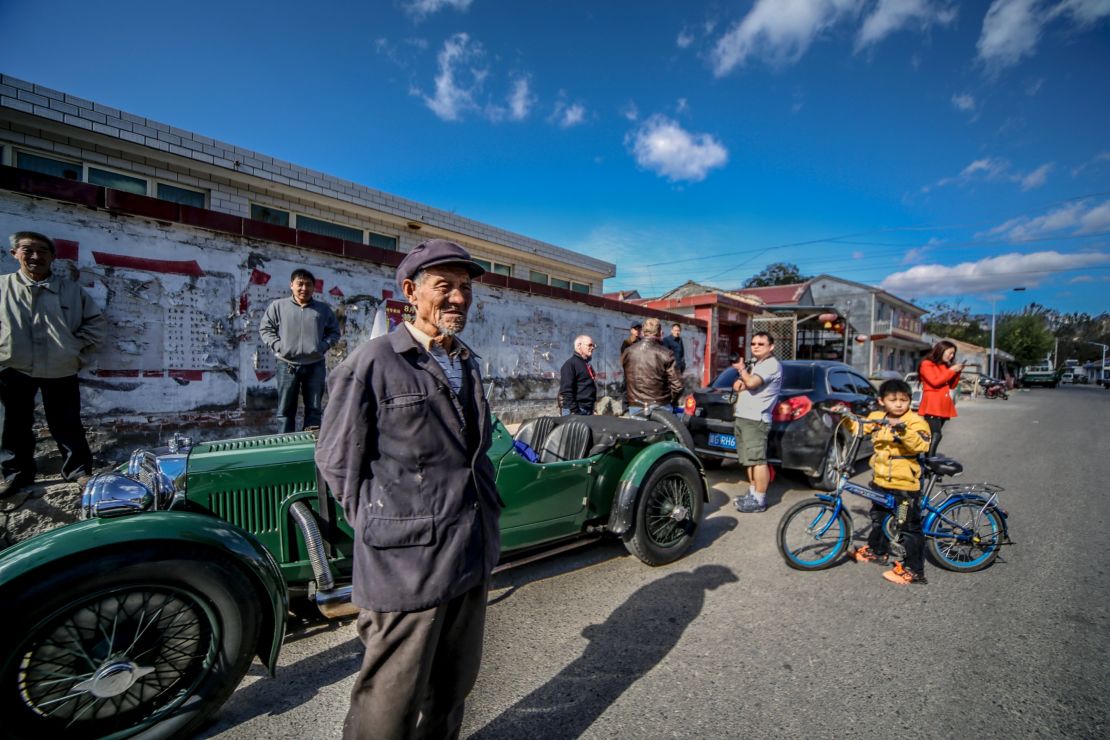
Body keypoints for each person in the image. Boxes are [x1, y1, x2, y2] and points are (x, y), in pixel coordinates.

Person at [315, 239, 501, 740]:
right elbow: (336, 462)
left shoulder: (467, 361)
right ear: (411, 293)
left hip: (469, 551)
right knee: (389, 706)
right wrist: (387, 527)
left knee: (451, 691)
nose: (458, 298)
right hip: (406, 567)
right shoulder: (373, 362)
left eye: (465, 288)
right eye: (445, 287)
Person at [0, 231, 106, 497]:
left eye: (42, 251)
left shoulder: (70, 290)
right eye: (28, 250)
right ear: (15, 254)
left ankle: (78, 471)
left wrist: (75, 351)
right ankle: (16, 475)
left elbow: (95, 323)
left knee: (67, 422)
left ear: (52, 257)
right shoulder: (3, 287)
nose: (35, 256)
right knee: (13, 424)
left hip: (60, 366)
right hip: (13, 365)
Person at [845, 378, 932, 586]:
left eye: (904, 400)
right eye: (893, 400)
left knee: (907, 526)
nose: (899, 404)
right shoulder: (877, 417)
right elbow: (860, 429)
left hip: (904, 486)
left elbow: (922, 444)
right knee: (879, 517)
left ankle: (914, 571)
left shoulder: (916, 421)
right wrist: (844, 415)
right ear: (882, 401)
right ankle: (878, 551)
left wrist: (902, 430)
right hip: (881, 481)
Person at [259, 268, 340, 433]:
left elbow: (334, 332)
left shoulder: (323, 310)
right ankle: (284, 445)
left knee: (314, 408)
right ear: (291, 285)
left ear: (313, 288)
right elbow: (266, 329)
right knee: (285, 410)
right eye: (300, 284)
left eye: (308, 285)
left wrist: (322, 347)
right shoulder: (278, 306)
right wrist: (279, 346)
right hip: (287, 365)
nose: (304, 288)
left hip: (315, 365)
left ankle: (310, 445)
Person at [732, 332, 783, 514]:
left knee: (759, 461)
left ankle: (760, 500)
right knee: (749, 461)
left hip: (756, 419)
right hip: (744, 417)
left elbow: (751, 383)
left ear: (771, 347)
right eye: (753, 343)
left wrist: (741, 371)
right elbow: (737, 386)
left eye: (761, 344)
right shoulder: (756, 364)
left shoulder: (771, 365)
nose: (755, 346)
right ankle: (752, 494)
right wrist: (744, 375)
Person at [622, 317, 683, 416]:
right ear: (660, 332)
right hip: (660, 406)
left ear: (643, 332)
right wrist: (669, 400)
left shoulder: (628, 352)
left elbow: (627, 378)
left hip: (635, 405)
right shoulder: (666, 353)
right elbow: (678, 386)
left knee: (638, 431)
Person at [918, 340, 964, 455]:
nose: (951, 356)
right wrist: (951, 370)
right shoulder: (927, 364)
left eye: (953, 354)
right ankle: (930, 459)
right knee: (935, 434)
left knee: (934, 434)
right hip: (932, 404)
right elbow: (935, 382)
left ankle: (928, 459)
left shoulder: (945, 366)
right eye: (950, 353)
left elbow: (952, 385)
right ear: (941, 350)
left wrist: (957, 372)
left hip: (943, 404)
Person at [559, 335, 597, 415]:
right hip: (576, 411)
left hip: (586, 410)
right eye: (590, 345)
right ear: (579, 346)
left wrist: (592, 408)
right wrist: (575, 411)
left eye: (593, 345)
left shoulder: (586, 364)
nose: (592, 348)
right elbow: (566, 391)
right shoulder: (570, 364)